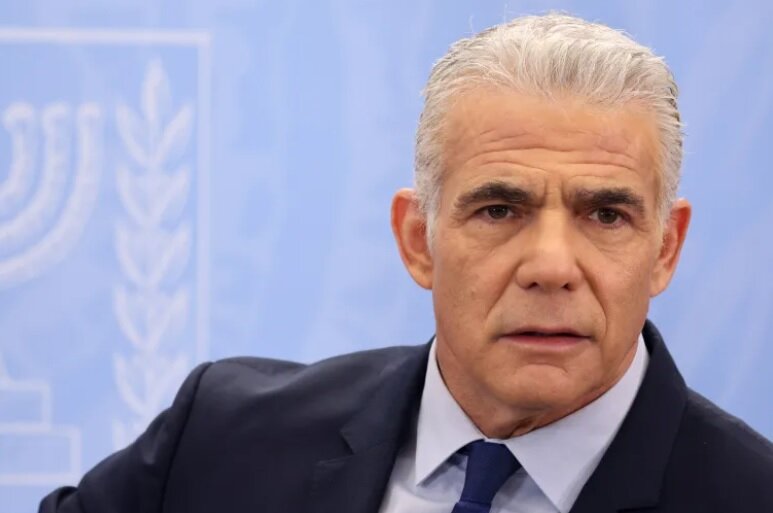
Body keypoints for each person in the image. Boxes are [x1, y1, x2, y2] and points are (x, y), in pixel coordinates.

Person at [40, 13, 772, 513]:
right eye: (499, 209)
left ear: (664, 249)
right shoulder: (221, 439)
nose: (551, 265)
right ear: (418, 239)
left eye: (605, 215)